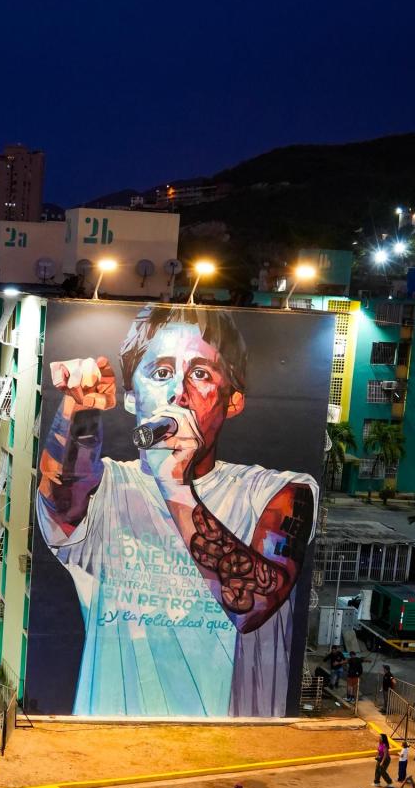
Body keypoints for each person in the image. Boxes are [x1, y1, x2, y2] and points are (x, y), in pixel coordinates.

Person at [34, 304, 319, 715]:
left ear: (233, 400)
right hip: (109, 746)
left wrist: (175, 483)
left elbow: (253, 604)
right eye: (161, 372)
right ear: (132, 397)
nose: (178, 393)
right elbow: (61, 494)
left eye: (200, 373)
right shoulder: (110, 487)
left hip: (233, 756)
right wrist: (79, 407)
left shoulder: (279, 492)